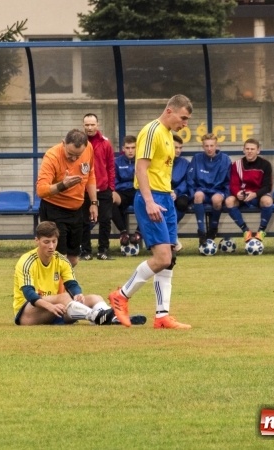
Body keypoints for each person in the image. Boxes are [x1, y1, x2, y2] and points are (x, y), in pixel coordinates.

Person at [108, 94, 194, 330]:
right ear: (170, 110)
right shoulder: (151, 131)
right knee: (162, 258)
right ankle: (121, 295)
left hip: (165, 198)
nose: (185, 123)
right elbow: (140, 168)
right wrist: (148, 201)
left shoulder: (167, 134)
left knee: (170, 259)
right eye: (183, 117)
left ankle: (162, 316)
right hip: (152, 198)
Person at [13, 221, 121, 325]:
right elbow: (29, 294)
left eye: (54, 241)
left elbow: (72, 284)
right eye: (46, 242)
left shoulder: (61, 260)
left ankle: (115, 318)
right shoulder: (27, 261)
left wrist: (77, 294)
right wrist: (50, 306)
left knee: (95, 298)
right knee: (64, 297)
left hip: (56, 309)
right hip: (27, 313)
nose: (51, 246)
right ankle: (96, 316)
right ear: (37, 240)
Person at [36, 129, 98, 267]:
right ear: (63, 143)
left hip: (77, 210)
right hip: (54, 209)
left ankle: (63, 286)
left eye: (78, 155)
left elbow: (91, 174)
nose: (74, 159)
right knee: (60, 259)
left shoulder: (89, 149)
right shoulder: (52, 156)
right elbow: (41, 190)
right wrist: (62, 185)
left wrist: (94, 203)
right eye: (70, 154)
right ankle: (55, 288)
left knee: (73, 260)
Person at [80, 113, 116, 260]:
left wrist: (111, 188)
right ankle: (86, 252)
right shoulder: (79, 142)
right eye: (87, 125)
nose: (89, 128)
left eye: (92, 124)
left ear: (98, 125)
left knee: (105, 220)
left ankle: (103, 251)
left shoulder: (106, 143)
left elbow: (111, 167)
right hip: (84, 190)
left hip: (103, 188)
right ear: (83, 126)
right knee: (83, 221)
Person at [224, 138, 274, 242]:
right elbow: (233, 184)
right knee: (229, 201)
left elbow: (267, 186)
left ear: (258, 150)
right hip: (243, 196)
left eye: (252, 149)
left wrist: (255, 194)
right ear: (243, 150)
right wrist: (237, 193)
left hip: (258, 195)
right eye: (247, 149)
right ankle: (246, 231)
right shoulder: (236, 165)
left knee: (268, 201)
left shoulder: (266, 165)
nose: (249, 151)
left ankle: (261, 232)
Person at [187, 133, 231, 245]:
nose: (209, 148)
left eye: (212, 145)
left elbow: (229, 180)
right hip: (202, 190)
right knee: (197, 195)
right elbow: (190, 179)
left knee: (216, 200)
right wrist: (192, 194)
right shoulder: (197, 158)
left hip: (218, 191)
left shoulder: (225, 159)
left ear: (217, 146)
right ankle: (201, 232)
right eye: (206, 146)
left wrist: (226, 195)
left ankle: (213, 229)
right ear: (203, 146)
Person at [112, 135, 142, 249]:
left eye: (133, 147)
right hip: (122, 192)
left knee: (150, 200)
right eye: (128, 148)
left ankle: (138, 233)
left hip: (138, 192)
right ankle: (123, 232)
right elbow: (114, 182)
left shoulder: (141, 161)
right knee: (110, 198)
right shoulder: (117, 162)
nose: (130, 151)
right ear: (123, 148)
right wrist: (128, 183)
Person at [170, 134, 190, 250]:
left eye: (180, 148)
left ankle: (170, 232)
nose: (178, 150)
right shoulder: (161, 161)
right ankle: (170, 236)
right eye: (175, 147)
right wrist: (168, 191)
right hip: (166, 192)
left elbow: (188, 181)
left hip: (181, 193)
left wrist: (176, 192)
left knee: (182, 204)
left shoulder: (185, 163)